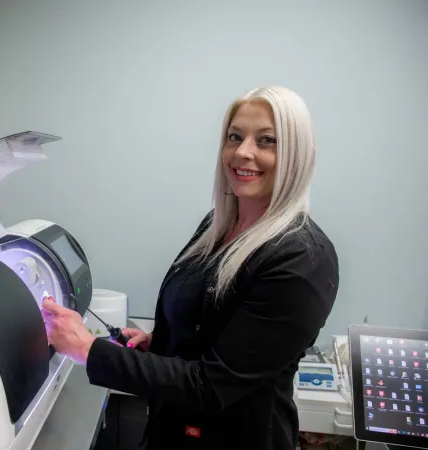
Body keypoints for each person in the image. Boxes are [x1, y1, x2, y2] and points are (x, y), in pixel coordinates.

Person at [42, 85, 339, 450]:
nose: (243, 152)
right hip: (172, 429)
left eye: (267, 141)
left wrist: (88, 348)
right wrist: (162, 344)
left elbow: (212, 385)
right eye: (235, 137)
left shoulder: (301, 259)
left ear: (296, 154)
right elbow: (209, 321)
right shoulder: (218, 224)